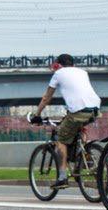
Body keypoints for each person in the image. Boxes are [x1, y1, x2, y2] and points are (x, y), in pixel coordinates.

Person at [32, 53, 102, 187]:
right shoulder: (83, 72)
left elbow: (47, 98)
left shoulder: (58, 74)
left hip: (77, 111)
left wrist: (37, 114)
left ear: (57, 65)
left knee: (61, 140)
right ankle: (83, 157)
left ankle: (62, 178)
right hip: (94, 109)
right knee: (77, 127)